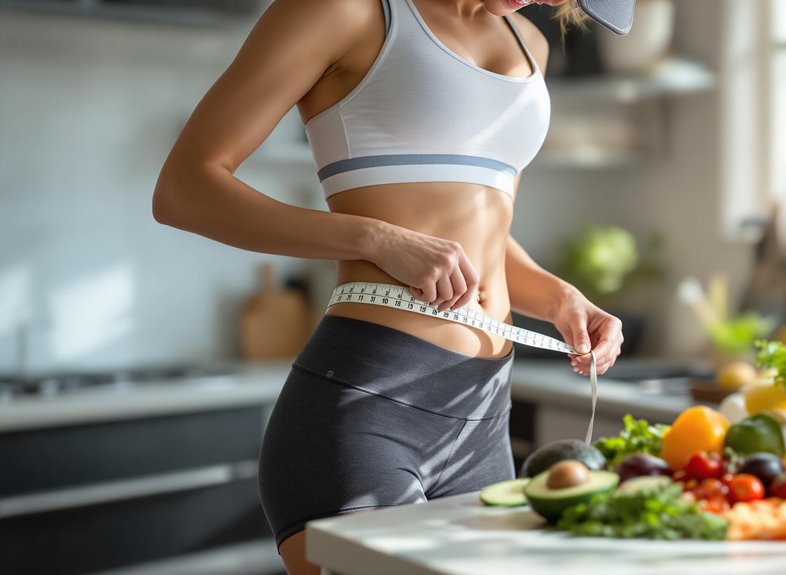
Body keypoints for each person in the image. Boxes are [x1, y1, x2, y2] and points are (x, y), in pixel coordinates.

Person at [153, 0, 625, 572]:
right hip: (368, 408)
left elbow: (476, 223)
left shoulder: (529, 42)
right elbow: (184, 188)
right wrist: (375, 239)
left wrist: (559, 298)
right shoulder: (344, 10)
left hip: (483, 417)